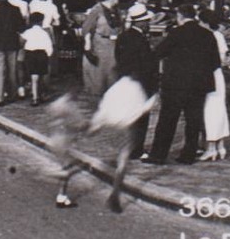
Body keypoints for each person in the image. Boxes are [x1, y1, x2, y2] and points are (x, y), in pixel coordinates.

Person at [48, 74, 157, 213]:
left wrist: (95, 125)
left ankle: (61, 193)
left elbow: (102, 111)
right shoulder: (136, 88)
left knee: (66, 165)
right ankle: (112, 193)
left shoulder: (113, 90)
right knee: (120, 160)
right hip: (124, 128)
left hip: (58, 139)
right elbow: (141, 110)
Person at [144, 4, 221, 165]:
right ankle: (188, 155)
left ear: (180, 16)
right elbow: (215, 62)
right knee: (193, 121)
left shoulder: (176, 33)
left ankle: (158, 155)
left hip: (176, 84)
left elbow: (158, 52)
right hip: (199, 85)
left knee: (167, 120)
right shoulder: (208, 35)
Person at [113, 4, 159, 160]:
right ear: (140, 22)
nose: (148, 24)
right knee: (141, 117)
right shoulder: (140, 40)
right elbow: (146, 63)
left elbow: (118, 58)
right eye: (146, 21)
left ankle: (131, 146)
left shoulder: (123, 36)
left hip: (126, 80)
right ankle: (137, 148)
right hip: (141, 82)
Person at [199, 11, 230, 162]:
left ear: (205, 23)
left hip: (208, 74)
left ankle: (211, 147)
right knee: (220, 109)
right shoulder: (220, 36)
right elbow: (223, 59)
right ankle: (221, 146)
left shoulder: (207, 37)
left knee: (209, 110)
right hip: (219, 75)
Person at [81, 0, 120, 94]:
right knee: (100, 72)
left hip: (113, 44)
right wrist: (88, 46)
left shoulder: (115, 9)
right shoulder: (96, 10)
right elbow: (86, 29)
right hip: (100, 44)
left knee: (112, 71)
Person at [21, 12, 55, 106]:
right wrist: (48, 55)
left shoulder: (27, 32)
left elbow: (21, 42)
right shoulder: (44, 33)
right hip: (42, 55)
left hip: (30, 55)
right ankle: (41, 94)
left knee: (33, 77)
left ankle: (34, 97)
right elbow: (49, 47)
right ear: (41, 22)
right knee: (41, 77)